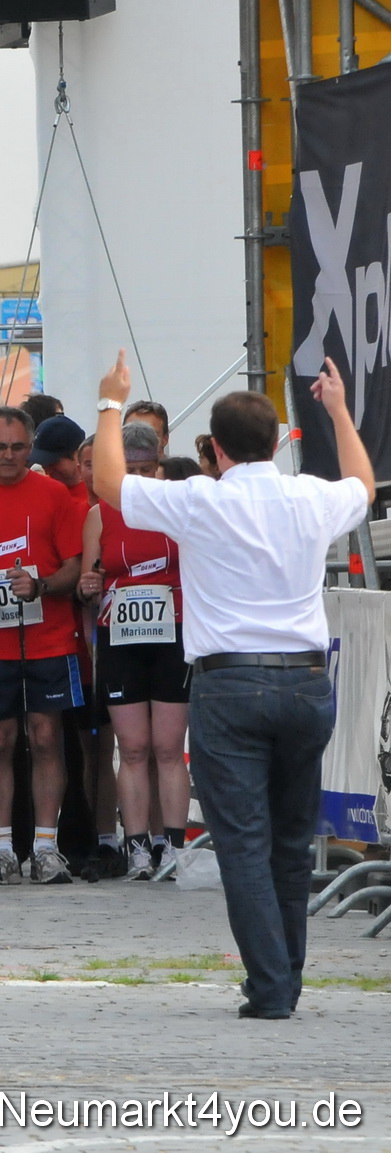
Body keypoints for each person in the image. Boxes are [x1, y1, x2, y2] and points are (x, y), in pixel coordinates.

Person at [93, 351, 371, 1020]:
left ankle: (272, 984)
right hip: (305, 682)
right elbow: (361, 482)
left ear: (214, 449)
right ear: (276, 443)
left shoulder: (199, 499)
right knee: (288, 838)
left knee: (242, 840)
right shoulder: (306, 493)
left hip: (227, 681)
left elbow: (107, 482)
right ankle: (285, 975)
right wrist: (335, 409)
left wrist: (109, 403)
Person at [0, 404, 86, 885]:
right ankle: (2, 846)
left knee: (46, 736)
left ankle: (46, 846)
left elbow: (73, 567)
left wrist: (42, 585)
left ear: (31, 447)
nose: (9, 456)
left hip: (47, 638)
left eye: (18, 447)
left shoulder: (54, 495)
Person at [76, 421, 188, 882]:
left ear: (159, 466)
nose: (140, 479)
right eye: (131, 470)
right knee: (133, 747)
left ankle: (175, 848)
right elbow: (87, 583)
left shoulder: (179, 507)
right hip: (121, 638)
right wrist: (88, 587)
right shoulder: (102, 513)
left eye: (148, 469)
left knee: (168, 748)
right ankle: (138, 846)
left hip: (173, 635)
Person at [28, 414, 89, 506]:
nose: (47, 471)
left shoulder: (100, 496)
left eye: (53, 462)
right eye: (43, 463)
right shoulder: (38, 492)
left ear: (77, 454)